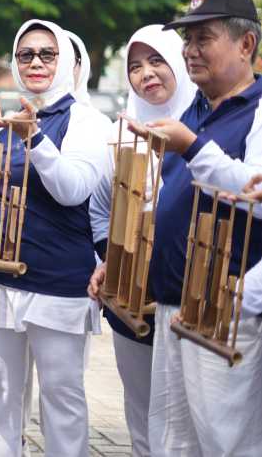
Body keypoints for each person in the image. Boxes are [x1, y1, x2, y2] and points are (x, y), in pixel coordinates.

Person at [0, 19, 111, 457]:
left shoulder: (89, 121)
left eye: (47, 54)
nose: (35, 62)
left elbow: (72, 189)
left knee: (61, 398)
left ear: (70, 61)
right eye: (25, 54)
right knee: (0, 398)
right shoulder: (5, 123)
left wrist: (34, 138)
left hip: (58, 282)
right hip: (0, 279)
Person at [130, 0, 262, 456]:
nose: (190, 51)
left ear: (245, 44)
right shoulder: (198, 109)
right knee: (172, 441)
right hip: (172, 301)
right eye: (187, 40)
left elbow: (256, 193)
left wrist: (193, 146)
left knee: (225, 442)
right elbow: (170, 200)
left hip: (226, 307)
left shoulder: (258, 109)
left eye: (203, 38)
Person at [85, 24, 196, 456]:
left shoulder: (201, 129)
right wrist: (111, 255)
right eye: (135, 66)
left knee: (186, 418)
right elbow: (98, 208)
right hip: (131, 298)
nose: (146, 74)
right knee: (140, 408)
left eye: (156, 61)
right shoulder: (120, 135)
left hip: (190, 298)